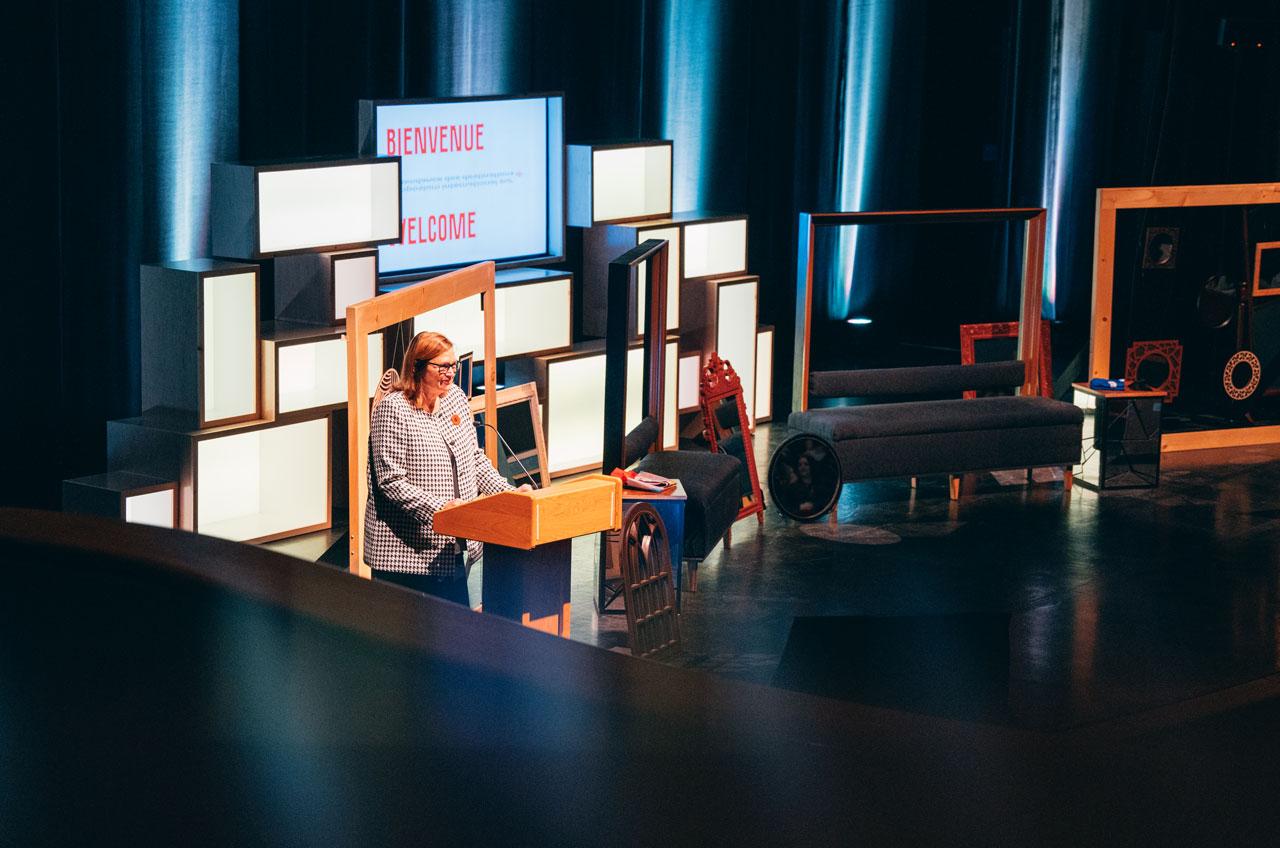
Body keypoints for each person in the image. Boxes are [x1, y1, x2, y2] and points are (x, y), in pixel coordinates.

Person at [364, 330, 525, 605]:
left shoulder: (456, 399)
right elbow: (391, 481)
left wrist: (509, 495)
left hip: (451, 546)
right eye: (442, 366)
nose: (450, 373)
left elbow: (473, 459)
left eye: (454, 365)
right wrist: (441, 510)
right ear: (417, 366)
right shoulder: (392, 410)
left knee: (454, 636)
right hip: (405, 554)